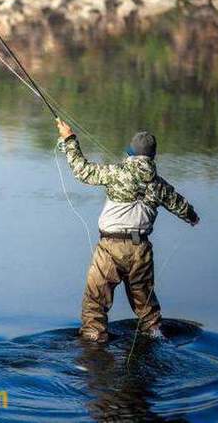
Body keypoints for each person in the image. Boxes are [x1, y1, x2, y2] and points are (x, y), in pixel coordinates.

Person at [56, 119, 199, 342]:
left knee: (95, 303)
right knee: (146, 308)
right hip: (141, 250)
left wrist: (69, 138)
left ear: (131, 153)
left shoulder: (116, 173)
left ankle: (94, 346)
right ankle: (155, 339)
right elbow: (183, 208)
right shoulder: (160, 186)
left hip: (110, 249)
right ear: (152, 157)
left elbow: (82, 171)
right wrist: (193, 218)